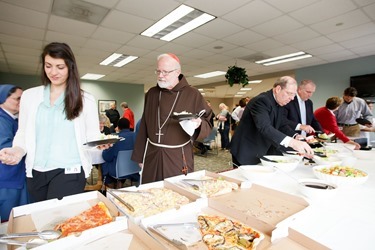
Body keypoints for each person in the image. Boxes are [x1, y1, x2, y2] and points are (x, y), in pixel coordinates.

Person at [0, 42, 102, 203]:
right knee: (39, 220)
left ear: (70, 67)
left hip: (70, 169)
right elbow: (23, 132)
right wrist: (17, 151)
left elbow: (93, 135)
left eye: (60, 67)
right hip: (36, 170)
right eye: (48, 66)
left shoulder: (85, 99)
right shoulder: (29, 96)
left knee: (58, 219)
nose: (53, 72)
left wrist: (100, 144)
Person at [131, 53, 212, 184]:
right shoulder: (151, 94)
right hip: (152, 154)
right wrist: (140, 156)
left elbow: (208, 122)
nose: (160, 75)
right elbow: (144, 125)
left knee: (177, 194)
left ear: (177, 72)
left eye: (165, 72)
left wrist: (198, 123)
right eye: (158, 71)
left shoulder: (192, 94)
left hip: (178, 156)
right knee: (151, 192)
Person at [230, 76, 314, 166]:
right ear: (278, 89)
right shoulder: (261, 101)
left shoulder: (280, 102)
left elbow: (281, 123)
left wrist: (295, 136)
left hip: (264, 149)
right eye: (289, 93)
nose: (292, 98)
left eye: (293, 94)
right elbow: (265, 127)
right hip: (247, 149)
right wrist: (292, 143)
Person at [0, 85, 29, 222]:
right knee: (9, 218)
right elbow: (6, 147)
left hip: (16, 176)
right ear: (3, 99)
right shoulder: (1, 120)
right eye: (17, 98)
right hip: (7, 178)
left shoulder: (13, 119)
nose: (21, 102)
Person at [102, 118, 137, 189]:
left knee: (105, 163)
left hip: (117, 172)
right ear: (129, 126)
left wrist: (104, 150)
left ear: (118, 127)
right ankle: (131, 184)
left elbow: (107, 157)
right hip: (135, 170)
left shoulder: (114, 138)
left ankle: (111, 186)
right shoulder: (137, 136)